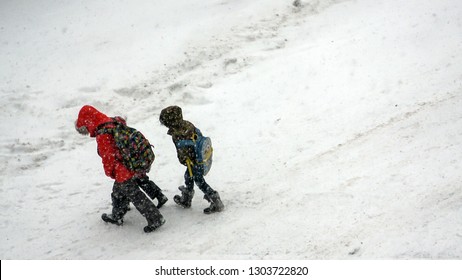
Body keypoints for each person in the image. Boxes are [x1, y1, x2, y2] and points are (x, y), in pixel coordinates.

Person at [75, 105, 166, 233]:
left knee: (133, 194)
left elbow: (108, 158)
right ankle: (117, 215)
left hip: (123, 168)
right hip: (133, 161)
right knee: (117, 191)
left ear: (88, 123)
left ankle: (155, 218)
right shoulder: (112, 121)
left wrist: (110, 172)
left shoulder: (103, 134)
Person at [159, 105, 224, 214]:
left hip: (194, 162)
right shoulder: (187, 124)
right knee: (188, 176)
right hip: (198, 158)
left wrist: (184, 159)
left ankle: (215, 200)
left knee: (199, 181)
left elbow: (183, 153)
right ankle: (186, 198)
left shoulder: (178, 135)